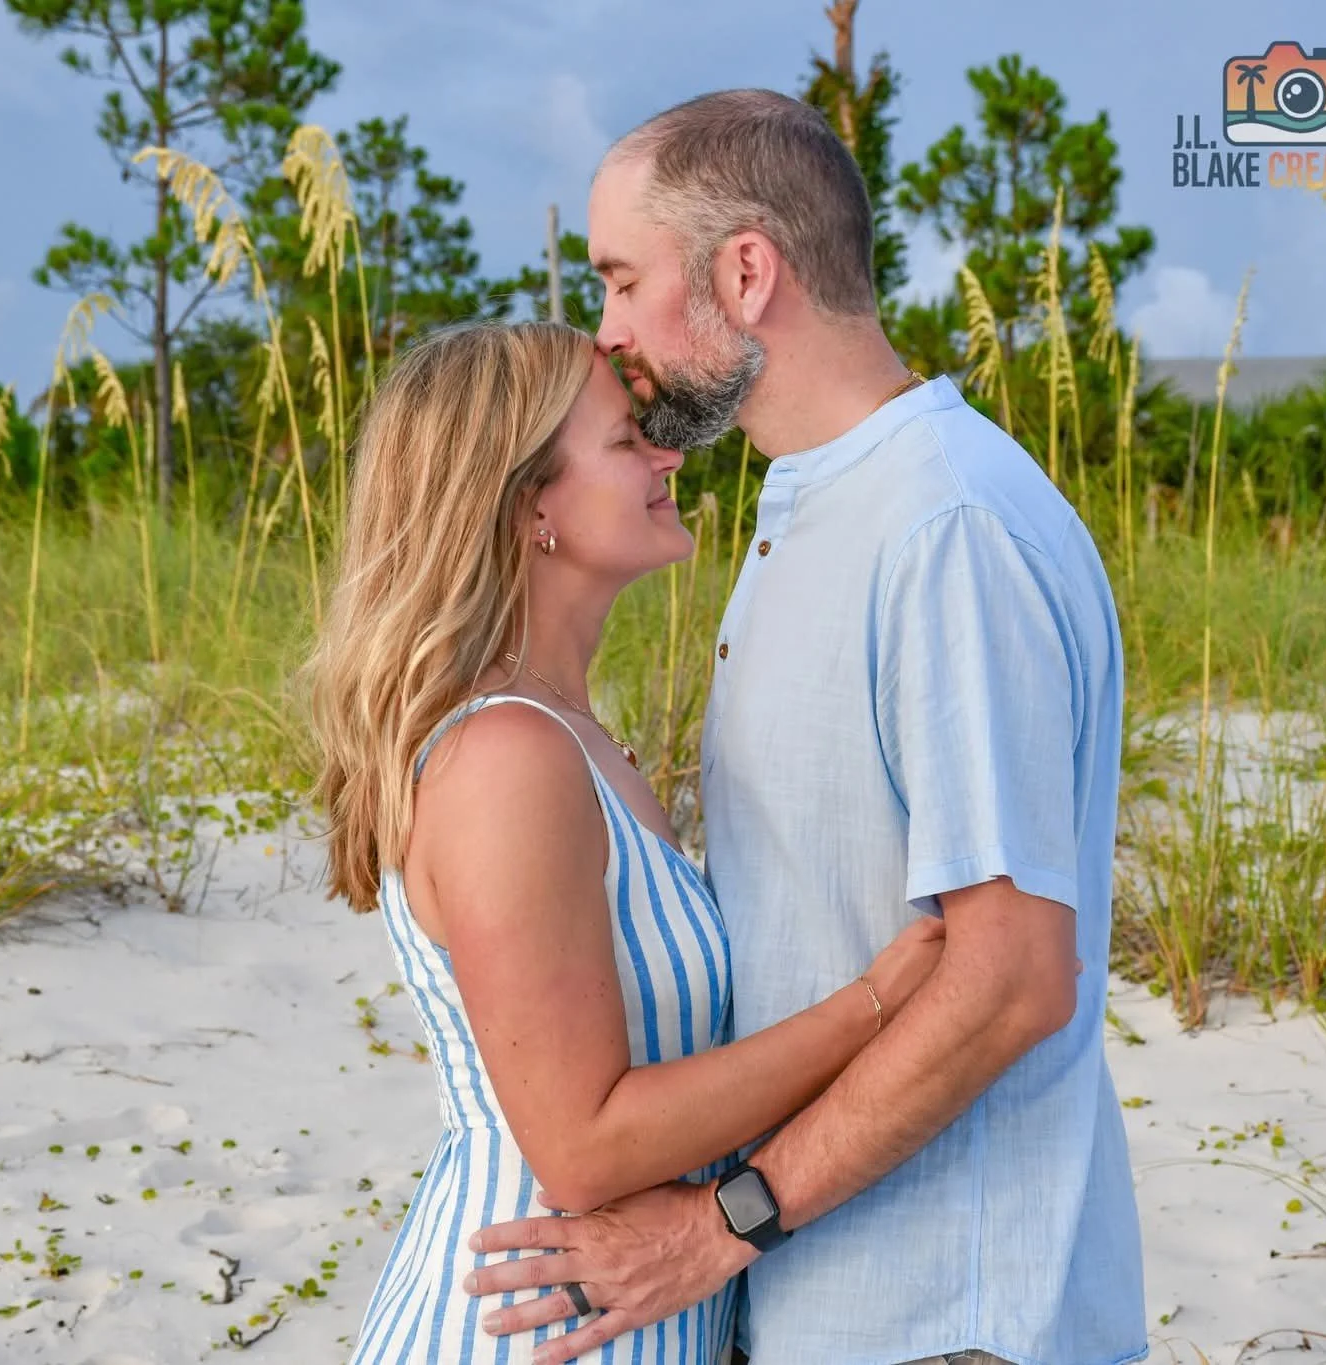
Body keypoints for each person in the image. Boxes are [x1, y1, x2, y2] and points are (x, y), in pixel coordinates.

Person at [462, 90, 1149, 1365]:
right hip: (826, 1300)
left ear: (745, 272)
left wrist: (720, 1226)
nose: (607, 333)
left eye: (621, 281)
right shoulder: (816, 504)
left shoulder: (942, 525)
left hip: (941, 1316)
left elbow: (1009, 977)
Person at [305, 318, 946, 1364]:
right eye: (623, 439)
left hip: (614, 1318)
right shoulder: (506, 757)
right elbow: (583, 1146)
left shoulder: (571, 736)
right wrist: (873, 1006)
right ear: (529, 508)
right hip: (528, 1327)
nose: (667, 458)